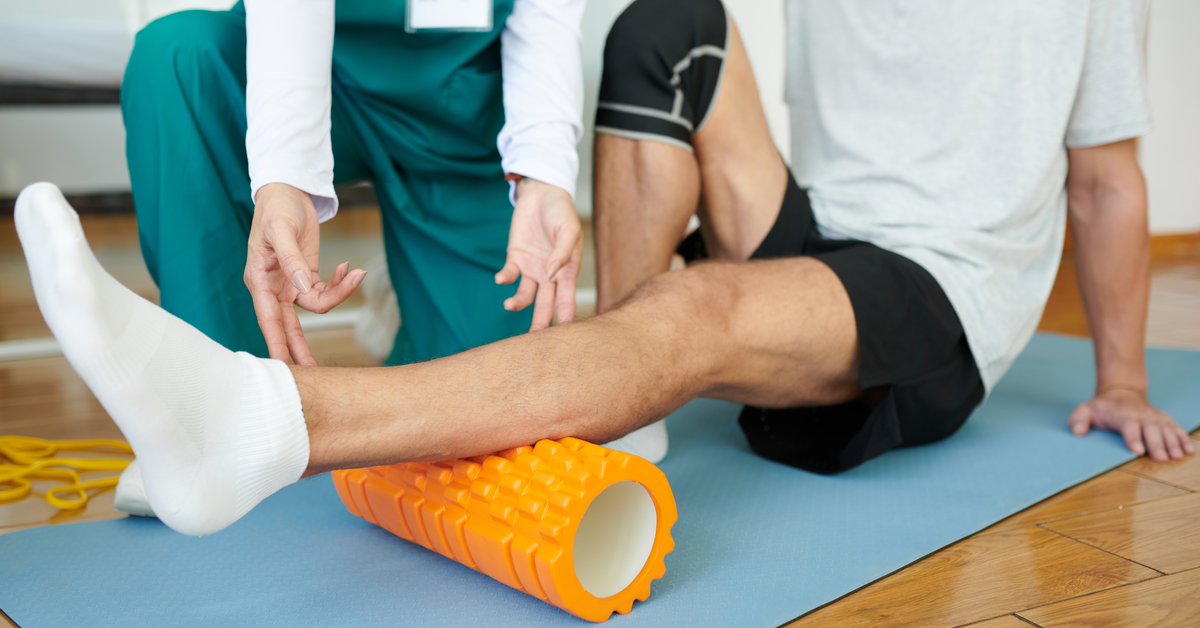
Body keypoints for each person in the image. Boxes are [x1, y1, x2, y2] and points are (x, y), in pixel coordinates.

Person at [15, 0, 1191, 538]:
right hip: (819, 226)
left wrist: (1125, 376)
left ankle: (270, 420)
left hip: (937, 288)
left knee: (699, 310)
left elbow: (1103, 180)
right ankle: (622, 389)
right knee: (665, 21)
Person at [120, 0, 585, 369]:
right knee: (178, 58)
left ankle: (403, 300)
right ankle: (212, 403)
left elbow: (546, 20)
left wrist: (543, 177)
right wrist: (284, 177)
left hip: (458, 109)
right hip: (315, 72)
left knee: (497, 396)